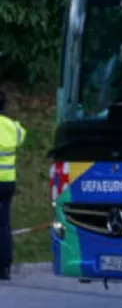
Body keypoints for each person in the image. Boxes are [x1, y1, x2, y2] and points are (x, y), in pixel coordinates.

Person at [0, 90, 26, 281]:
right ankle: (5, 267)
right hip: (8, 182)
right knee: (4, 224)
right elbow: (21, 134)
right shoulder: (12, 127)